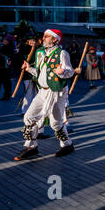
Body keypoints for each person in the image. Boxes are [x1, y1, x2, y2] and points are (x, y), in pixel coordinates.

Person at [14, 29, 80, 160]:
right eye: (44, 36)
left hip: (56, 92)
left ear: (55, 39)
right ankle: (31, 147)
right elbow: (40, 73)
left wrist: (62, 72)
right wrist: (29, 69)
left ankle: (67, 144)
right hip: (42, 91)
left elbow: (70, 72)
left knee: (56, 123)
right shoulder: (41, 53)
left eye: (47, 36)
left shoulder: (62, 53)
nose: (43, 38)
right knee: (28, 117)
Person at [18, 34, 40, 116]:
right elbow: (19, 60)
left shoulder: (39, 50)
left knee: (37, 93)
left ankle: (35, 110)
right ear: (28, 41)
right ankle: (25, 110)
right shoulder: (24, 49)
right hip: (27, 73)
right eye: (31, 40)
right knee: (28, 92)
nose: (32, 42)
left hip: (37, 72)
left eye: (34, 40)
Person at [0, 33, 15, 101]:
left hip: (5, 68)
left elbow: (9, 58)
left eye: (5, 39)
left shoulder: (9, 49)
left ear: (8, 41)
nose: (3, 40)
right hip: (0, 67)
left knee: (6, 83)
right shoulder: (4, 47)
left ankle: (6, 96)